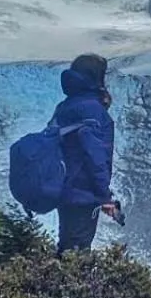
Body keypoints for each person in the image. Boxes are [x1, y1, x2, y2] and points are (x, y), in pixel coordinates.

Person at [51, 53, 123, 255]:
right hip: (83, 193)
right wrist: (104, 196)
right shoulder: (93, 110)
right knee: (78, 253)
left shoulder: (66, 106)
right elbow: (95, 157)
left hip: (64, 189)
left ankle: (51, 274)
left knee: (67, 246)